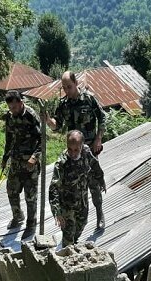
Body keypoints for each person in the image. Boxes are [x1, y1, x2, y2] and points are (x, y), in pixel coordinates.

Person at [43, 70, 108, 229]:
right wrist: (48, 120)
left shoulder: (89, 99)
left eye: (69, 87)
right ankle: (77, 221)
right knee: (75, 186)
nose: (67, 90)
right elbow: (57, 125)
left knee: (93, 182)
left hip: (89, 149)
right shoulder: (64, 104)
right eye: (64, 88)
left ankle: (100, 213)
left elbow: (103, 117)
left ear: (76, 84)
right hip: (73, 152)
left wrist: (99, 138)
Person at [49, 130, 105, 247]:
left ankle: (73, 242)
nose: (73, 153)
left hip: (82, 202)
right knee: (68, 237)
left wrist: (101, 179)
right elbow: (54, 188)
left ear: (81, 146)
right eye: (70, 149)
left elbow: (94, 164)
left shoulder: (86, 151)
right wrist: (57, 212)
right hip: (67, 206)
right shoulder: (62, 164)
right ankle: (67, 253)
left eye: (76, 150)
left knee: (82, 225)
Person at [1, 90, 41, 230]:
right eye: (10, 108)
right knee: (11, 190)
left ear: (21, 103)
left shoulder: (31, 116)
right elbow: (9, 138)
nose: (12, 111)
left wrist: (34, 157)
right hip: (16, 161)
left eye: (14, 107)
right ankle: (17, 216)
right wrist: (5, 158)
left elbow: (42, 141)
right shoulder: (10, 117)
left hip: (30, 164)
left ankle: (31, 223)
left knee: (30, 196)